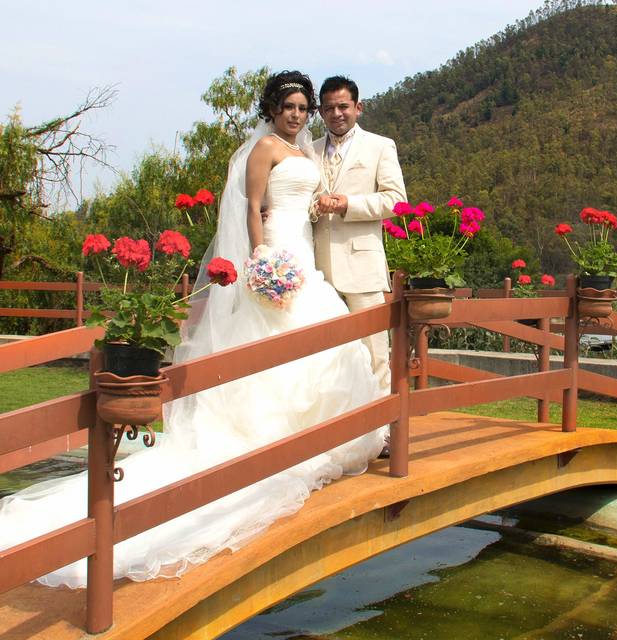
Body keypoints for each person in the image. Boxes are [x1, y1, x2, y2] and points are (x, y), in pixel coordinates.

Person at [0, 71, 387, 588]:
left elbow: (307, 202)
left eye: (302, 107)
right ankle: (271, 444)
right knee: (273, 347)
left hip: (305, 255)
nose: (297, 114)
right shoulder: (263, 150)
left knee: (324, 343)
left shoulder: (309, 152)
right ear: (272, 109)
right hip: (275, 254)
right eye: (288, 106)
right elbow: (251, 207)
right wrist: (262, 259)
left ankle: (312, 437)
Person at [311, 75, 406, 393]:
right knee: (325, 355)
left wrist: (347, 204)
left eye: (343, 106)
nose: (336, 114)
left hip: (362, 267)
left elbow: (396, 201)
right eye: (329, 108)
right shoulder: (308, 152)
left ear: (358, 108)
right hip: (316, 269)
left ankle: (382, 431)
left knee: (374, 353)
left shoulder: (380, 146)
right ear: (321, 113)